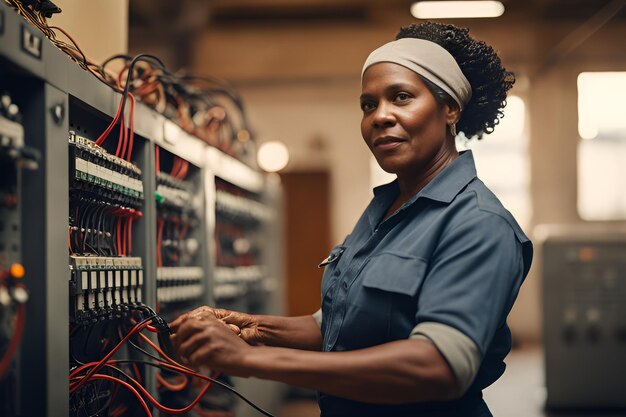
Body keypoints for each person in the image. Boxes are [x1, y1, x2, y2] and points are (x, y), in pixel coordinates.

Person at [170, 22, 533, 417]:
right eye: (368, 105)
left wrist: (249, 360)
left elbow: (439, 365)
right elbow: (339, 322)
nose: (380, 116)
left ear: (449, 109)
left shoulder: (477, 223)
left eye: (401, 97)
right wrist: (251, 328)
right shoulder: (385, 210)